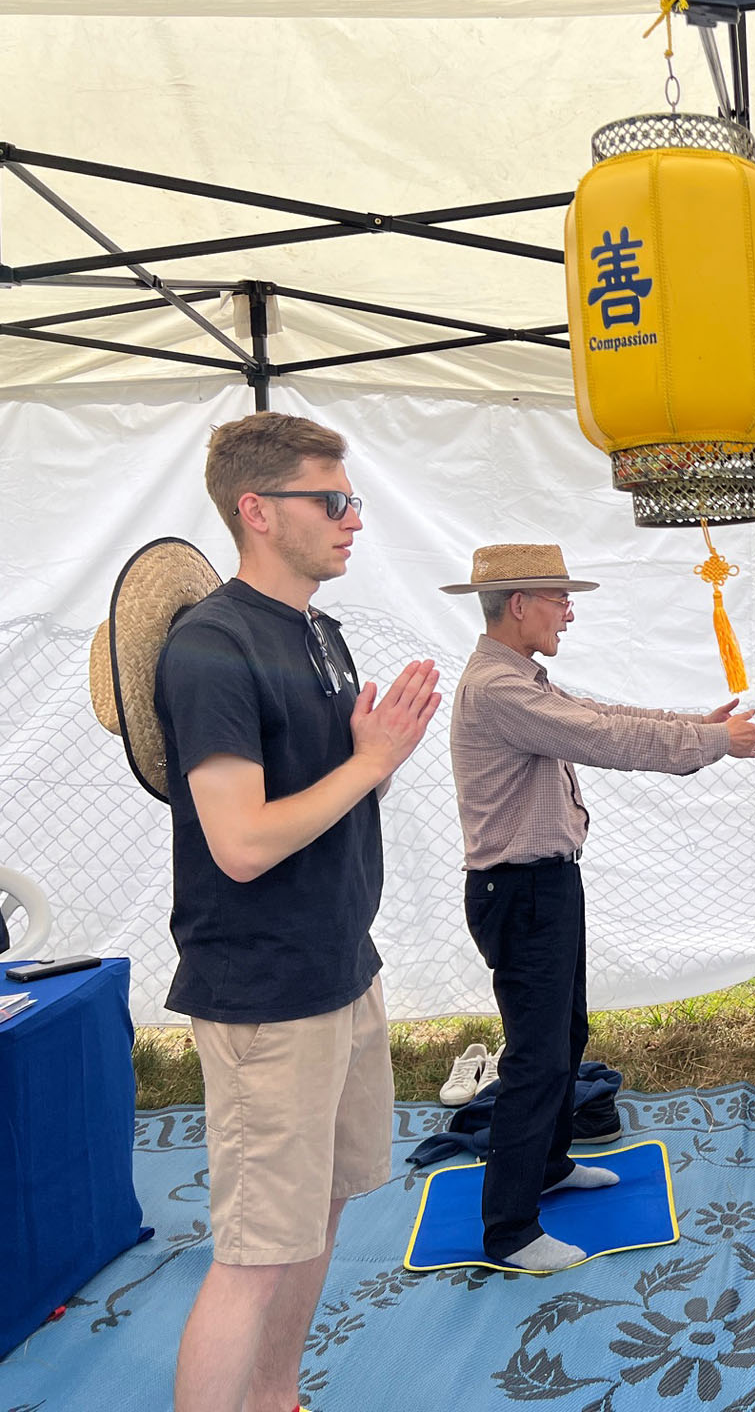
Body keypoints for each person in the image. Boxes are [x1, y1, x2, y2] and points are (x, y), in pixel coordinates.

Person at [154, 412, 442, 1412]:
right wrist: (371, 762)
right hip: (266, 991)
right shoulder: (211, 645)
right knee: (254, 1255)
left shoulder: (320, 633)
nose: (352, 519)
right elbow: (239, 844)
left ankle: (277, 1398)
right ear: (259, 510)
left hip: (340, 969)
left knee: (317, 1215)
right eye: (333, 500)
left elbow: (332, 796)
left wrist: (374, 762)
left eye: (349, 499)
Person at [443, 544, 755, 1271]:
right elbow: (602, 736)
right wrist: (713, 741)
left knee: (564, 1037)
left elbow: (598, 711)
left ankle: (549, 1165)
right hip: (520, 891)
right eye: (559, 598)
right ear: (519, 603)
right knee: (536, 1059)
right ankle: (511, 1233)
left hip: (543, 886)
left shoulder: (518, 677)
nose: (569, 612)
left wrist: (694, 723)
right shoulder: (498, 688)